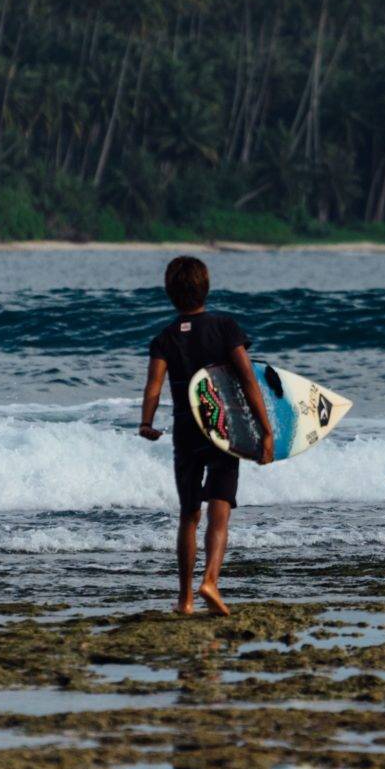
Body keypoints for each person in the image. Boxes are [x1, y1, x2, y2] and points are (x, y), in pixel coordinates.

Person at [139, 255, 274, 616]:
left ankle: (184, 600)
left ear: (169, 292)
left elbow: (153, 386)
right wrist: (266, 431)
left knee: (188, 514)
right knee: (220, 509)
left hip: (186, 429)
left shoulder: (164, 338)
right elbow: (248, 380)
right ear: (206, 287)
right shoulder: (225, 328)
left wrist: (146, 422)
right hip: (222, 427)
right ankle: (210, 581)